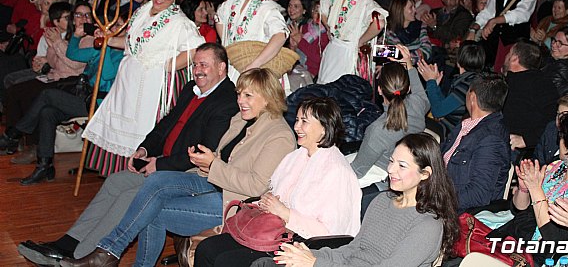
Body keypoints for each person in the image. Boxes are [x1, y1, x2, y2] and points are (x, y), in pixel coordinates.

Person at [17, 43, 239, 265]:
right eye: (195, 64)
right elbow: (166, 125)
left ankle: (79, 257)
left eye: (204, 65)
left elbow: (204, 151)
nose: (197, 69)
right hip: (163, 162)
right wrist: (145, 149)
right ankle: (66, 243)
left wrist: (160, 166)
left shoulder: (226, 101)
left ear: (221, 68)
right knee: (116, 181)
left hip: (187, 172)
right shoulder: (192, 88)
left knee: (128, 196)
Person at [60, 68, 296, 267]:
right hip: (212, 182)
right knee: (156, 180)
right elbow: (226, 161)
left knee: (154, 212)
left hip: (236, 202)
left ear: (267, 97)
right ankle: (108, 252)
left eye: (248, 95)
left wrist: (213, 164)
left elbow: (255, 185)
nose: (240, 101)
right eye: (239, 94)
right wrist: (206, 161)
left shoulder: (278, 135)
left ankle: (108, 253)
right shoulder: (242, 119)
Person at [194, 97, 362, 266]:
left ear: (324, 128)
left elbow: (332, 234)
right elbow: (276, 193)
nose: (296, 127)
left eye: (304, 121)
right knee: (207, 249)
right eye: (297, 120)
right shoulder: (296, 156)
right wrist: (268, 201)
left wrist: (285, 213)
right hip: (273, 231)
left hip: (300, 246)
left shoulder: (337, 172)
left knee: (226, 261)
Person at [270, 133, 459, 267]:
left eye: (402, 165)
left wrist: (316, 263)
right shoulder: (382, 200)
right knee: (270, 261)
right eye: (391, 161)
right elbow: (353, 249)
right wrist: (308, 254)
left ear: (425, 174)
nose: (391, 170)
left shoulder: (428, 226)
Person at [82, 0, 205, 173]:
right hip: (129, 80)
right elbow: (133, 45)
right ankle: (118, 175)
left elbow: (196, 49)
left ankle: (141, 172)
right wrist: (109, 40)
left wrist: (169, 66)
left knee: (145, 130)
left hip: (153, 84)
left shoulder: (180, 22)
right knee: (121, 124)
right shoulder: (142, 11)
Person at [0, 3, 124, 184]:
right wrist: (75, 36)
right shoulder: (98, 46)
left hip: (100, 104)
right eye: (109, 25)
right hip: (85, 97)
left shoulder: (123, 53)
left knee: (48, 95)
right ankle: (45, 165)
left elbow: (107, 75)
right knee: (47, 112)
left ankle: (13, 135)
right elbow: (73, 53)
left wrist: (104, 46)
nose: (111, 28)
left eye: (116, 25)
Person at [489, 111, 568, 265]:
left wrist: (536, 189)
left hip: (537, 258)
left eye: (562, 136)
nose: (559, 140)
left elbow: (554, 241)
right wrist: (524, 190)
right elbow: (518, 210)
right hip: (511, 239)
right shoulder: (556, 168)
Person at [350, 46, 430, 207]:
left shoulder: (378, 129)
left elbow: (357, 171)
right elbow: (421, 94)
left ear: (379, 90)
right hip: (408, 168)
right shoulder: (418, 104)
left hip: (382, 174)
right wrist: (408, 63)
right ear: (407, 88)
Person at [441, 73, 511, 213]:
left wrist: (437, 201)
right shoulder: (466, 125)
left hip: (457, 212)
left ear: (472, 97)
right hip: (440, 193)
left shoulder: (491, 139)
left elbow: (479, 194)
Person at [216, 0, 288, 82]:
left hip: (256, 72)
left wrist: (255, 64)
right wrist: (227, 45)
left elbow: (280, 35)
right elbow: (219, 17)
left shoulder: (268, 8)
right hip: (232, 68)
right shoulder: (232, 3)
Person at [318, 0, 387, 84]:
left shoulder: (364, 1)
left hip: (348, 56)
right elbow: (321, 7)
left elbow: (379, 23)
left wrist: (361, 41)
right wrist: (329, 28)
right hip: (333, 52)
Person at [418, 41, 485, 138]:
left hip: (450, 133)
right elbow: (445, 106)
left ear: (459, 61)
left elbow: (438, 111)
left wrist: (431, 82)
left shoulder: (467, 84)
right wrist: (435, 85)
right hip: (451, 128)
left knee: (414, 121)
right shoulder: (470, 80)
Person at [502, 41, 558, 155]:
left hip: (517, 152)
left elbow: (554, 118)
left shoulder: (541, 84)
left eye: (509, 53)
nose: (505, 56)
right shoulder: (545, 83)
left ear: (514, 59)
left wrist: (527, 139)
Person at [533, 93, 568, 166]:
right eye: (558, 114)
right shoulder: (552, 128)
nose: (559, 119)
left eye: (566, 116)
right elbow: (538, 159)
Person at [384, 0, 431, 65]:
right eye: (411, 7)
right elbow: (382, 52)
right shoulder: (389, 29)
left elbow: (427, 49)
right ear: (400, 10)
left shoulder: (420, 26)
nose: (415, 10)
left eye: (414, 7)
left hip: (417, 69)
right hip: (395, 70)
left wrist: (408, 60)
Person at [287, 0, 328, 78]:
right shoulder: (305, 27)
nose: (319, 15)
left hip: (316, 75)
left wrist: (300, 42)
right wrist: (293, 47)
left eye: (322, 12)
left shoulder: (327, 34)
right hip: (298, 68)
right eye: (316, 11)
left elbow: (320, 60)